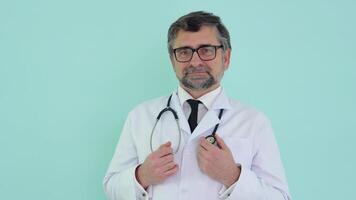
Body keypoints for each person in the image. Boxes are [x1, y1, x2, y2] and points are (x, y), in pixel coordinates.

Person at [103, 11, 291, 200]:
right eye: (184, 52)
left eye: (206, 50)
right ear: (172, 60)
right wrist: (142, 176)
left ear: (226, 58)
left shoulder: (254, 121)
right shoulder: (140, 116)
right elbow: (111, 187)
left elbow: (280, 196)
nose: (195, 62)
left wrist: (232, 176)